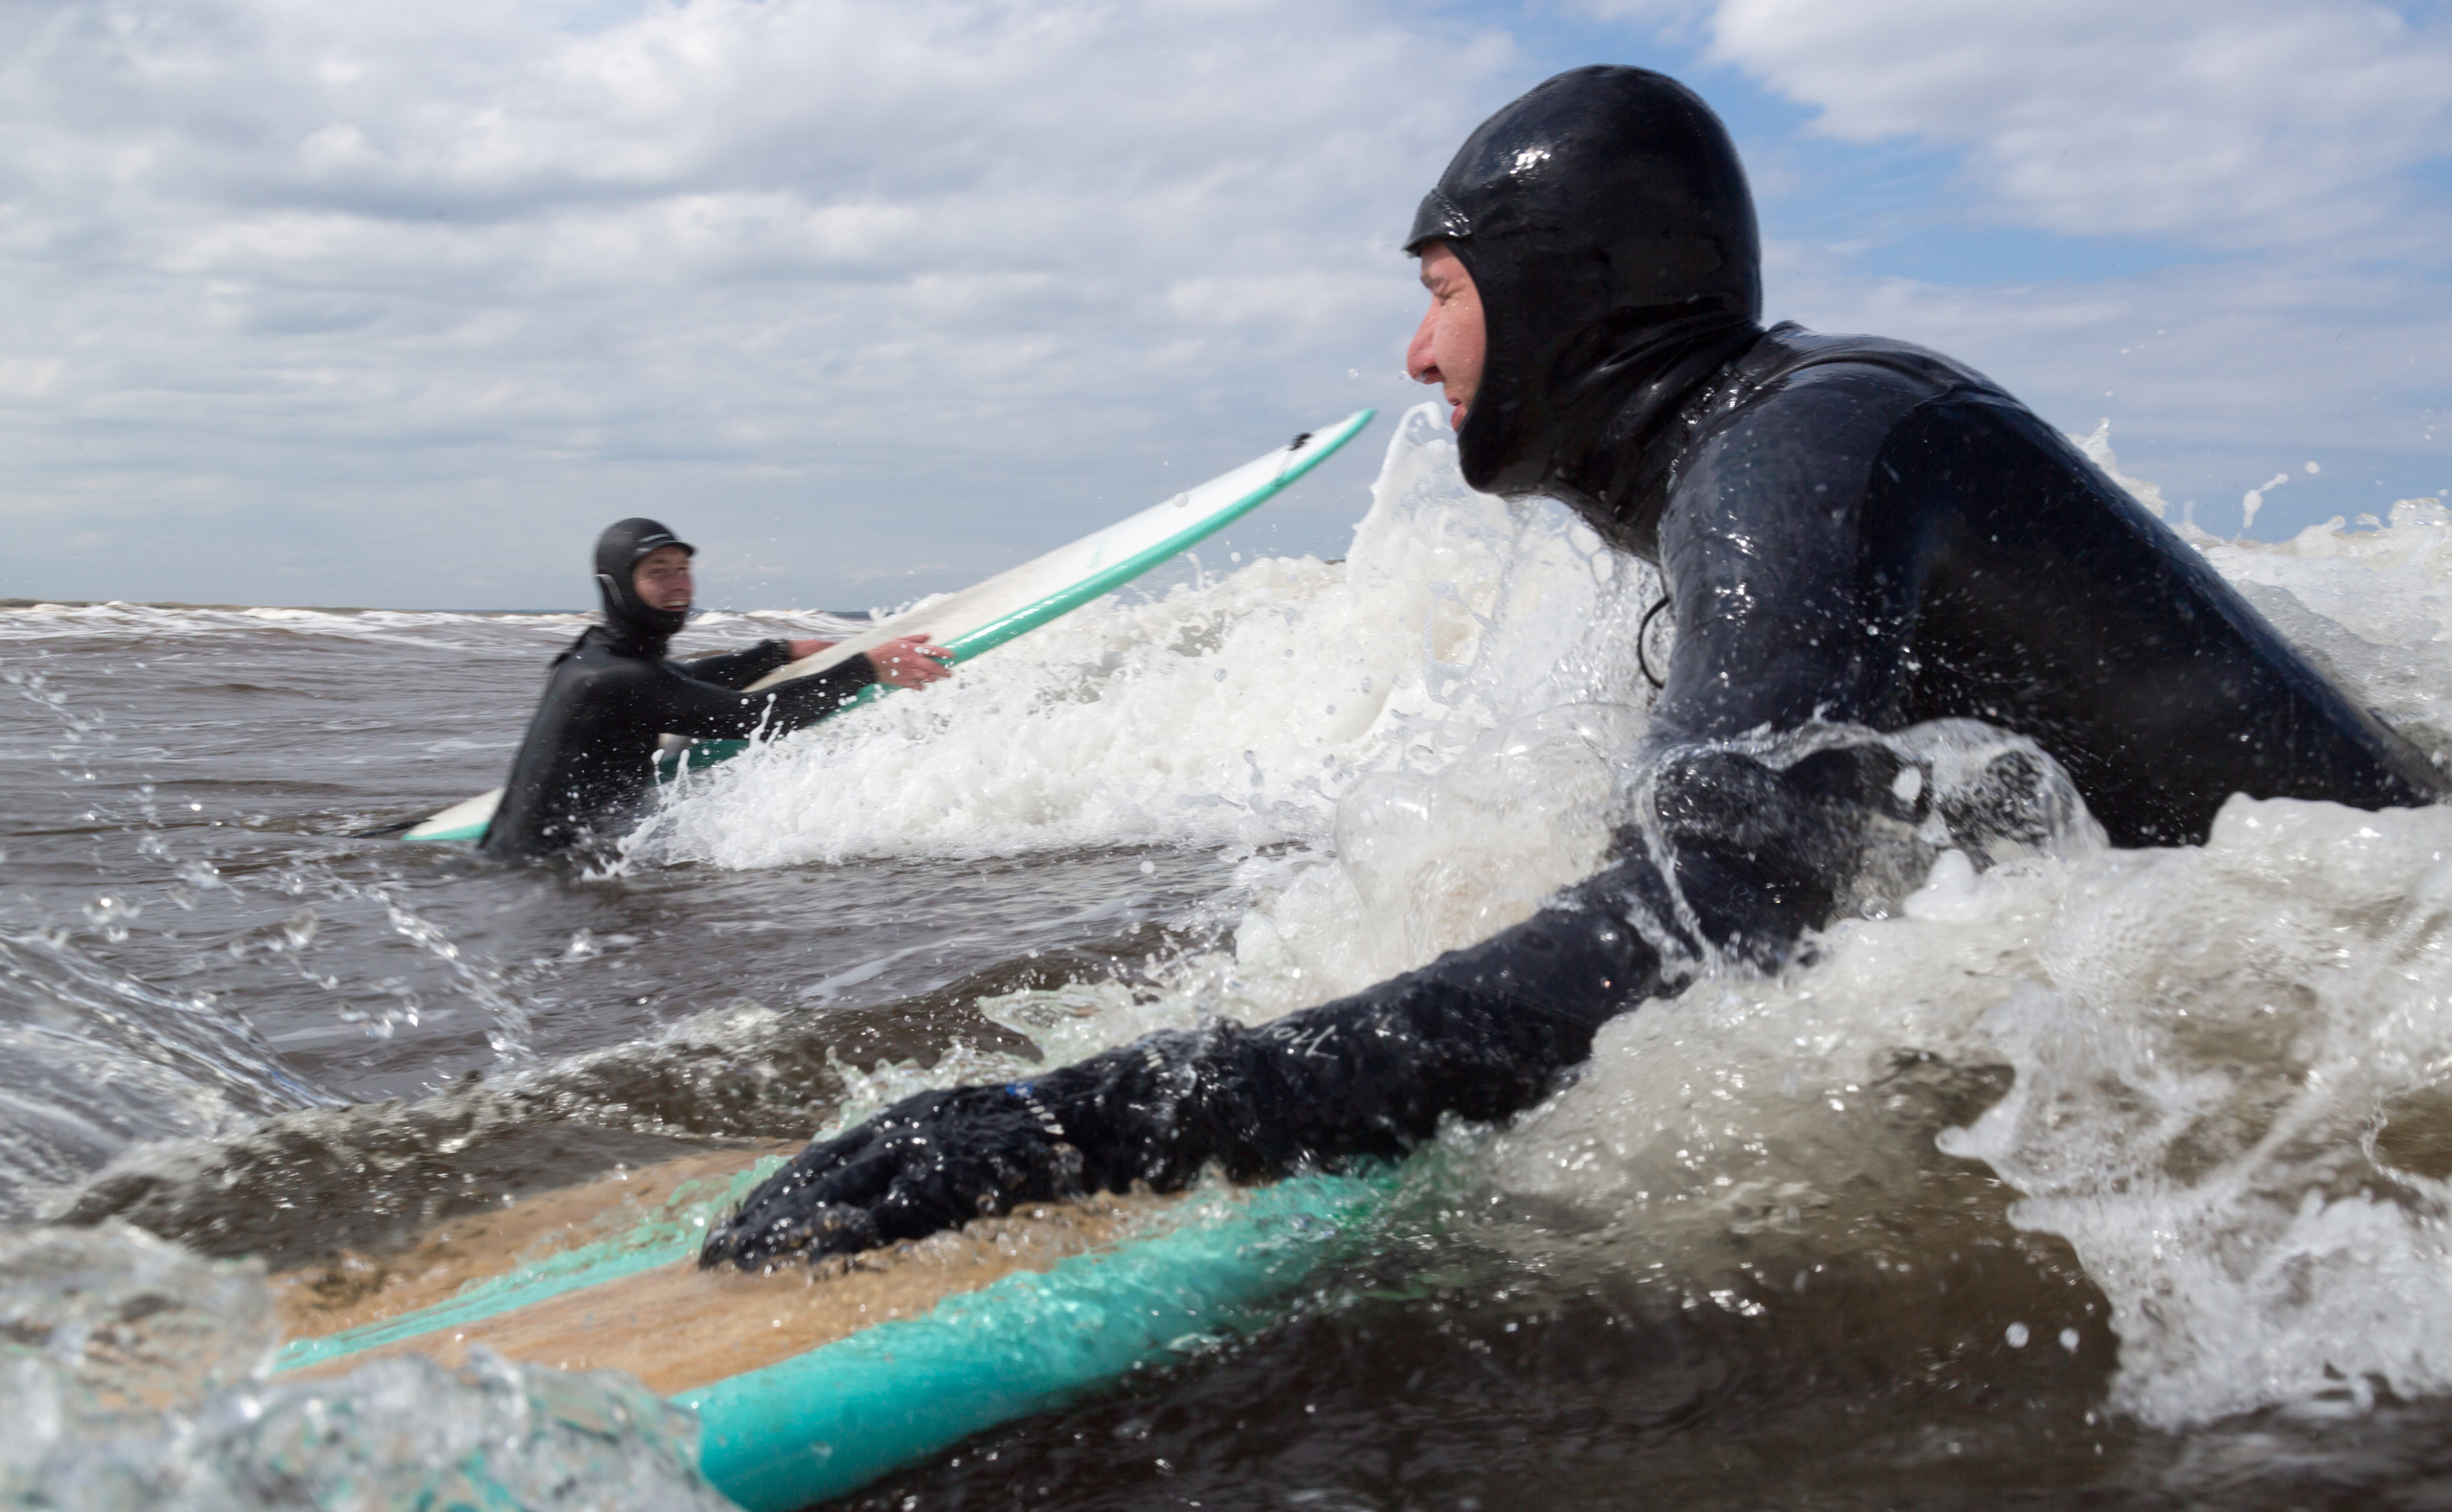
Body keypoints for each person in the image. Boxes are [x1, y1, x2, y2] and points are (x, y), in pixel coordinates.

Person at [699, 66, 2444, 1269]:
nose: (1414, 347)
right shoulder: (1765, 451)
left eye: (1441, 289)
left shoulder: (1801, 455)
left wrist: (1103, 1119)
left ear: (1560, 291)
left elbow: (1702, 924)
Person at [481, 517, 951, 859]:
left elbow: (683, 680)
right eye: (657, 572)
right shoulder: (613, 677)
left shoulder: (596, 657)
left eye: (682, 569)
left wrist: (776, 652)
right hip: (541, 878)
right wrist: (866, 668)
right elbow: (756, 717)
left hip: (542, 866)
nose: (679, 584)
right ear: (617, 585)